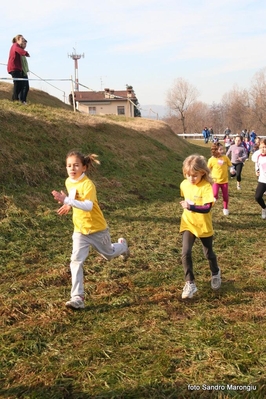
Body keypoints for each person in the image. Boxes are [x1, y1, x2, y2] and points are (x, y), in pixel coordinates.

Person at [51, 150, 130, 309]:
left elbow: (88, 206)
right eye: (69, 166)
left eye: (76, 165)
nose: (72, 168)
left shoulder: (88, 184)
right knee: (76, 261)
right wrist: (68, 204)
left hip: (98, 229)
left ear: (84, 167)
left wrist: (67, 200)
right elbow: (74, 195)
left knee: (108, 254)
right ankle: (77, 297)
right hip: (80, 231)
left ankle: (122, 246)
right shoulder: (69, 181)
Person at [179, 154, 221, 299]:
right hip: (188, 224)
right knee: (185, 253)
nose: (191, 178)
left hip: (203, 226)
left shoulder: (206, 187)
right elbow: (184, 196)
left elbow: (207, 208)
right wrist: (188, 208)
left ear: (203, 172)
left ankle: (215, 272)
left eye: (195, 175)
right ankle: (190, 283)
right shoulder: (184, 184)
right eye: (188, 175)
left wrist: (191, 206)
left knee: (208, 254)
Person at [207, 143, 232, 216]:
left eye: (222, 149)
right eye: (220, 149)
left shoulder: (225, 158)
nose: (222, 151)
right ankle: (214, 198)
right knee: (214, 194)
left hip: (224, 181)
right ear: (215, 150)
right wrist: (207, 176)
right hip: (215, 181)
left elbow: (230, 165)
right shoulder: (211, 160)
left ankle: (225, 208)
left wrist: (231, 170)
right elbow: (208, 169)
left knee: (225, 196)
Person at [7, 34, 30, 101]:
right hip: (14, 68)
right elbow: (20, 51)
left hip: (17, 68)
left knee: (19, 84)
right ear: (17, 40)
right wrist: (26, 53)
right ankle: (15, 99)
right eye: (22, 39)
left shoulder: (16, 46)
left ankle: (16, 99)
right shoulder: (15, 45)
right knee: (17, 84)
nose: (23, 40)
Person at [252, 139, 266, 219]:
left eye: (264, 147)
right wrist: (257, 171)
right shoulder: (258, 156)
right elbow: (257, 164)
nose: (263, 149)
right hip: (263, 180)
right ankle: (264, 208)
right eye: (261, 147)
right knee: (257, 197)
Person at [19, 38, 29, 104]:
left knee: (26, 87)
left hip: (25, 71)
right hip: (21, 71)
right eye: (24, 43)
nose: (25, 45)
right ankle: (21, 101)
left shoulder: (23, 52)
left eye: (26, 44)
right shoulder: (20, 52)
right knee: (23, 87)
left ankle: (23, 100)